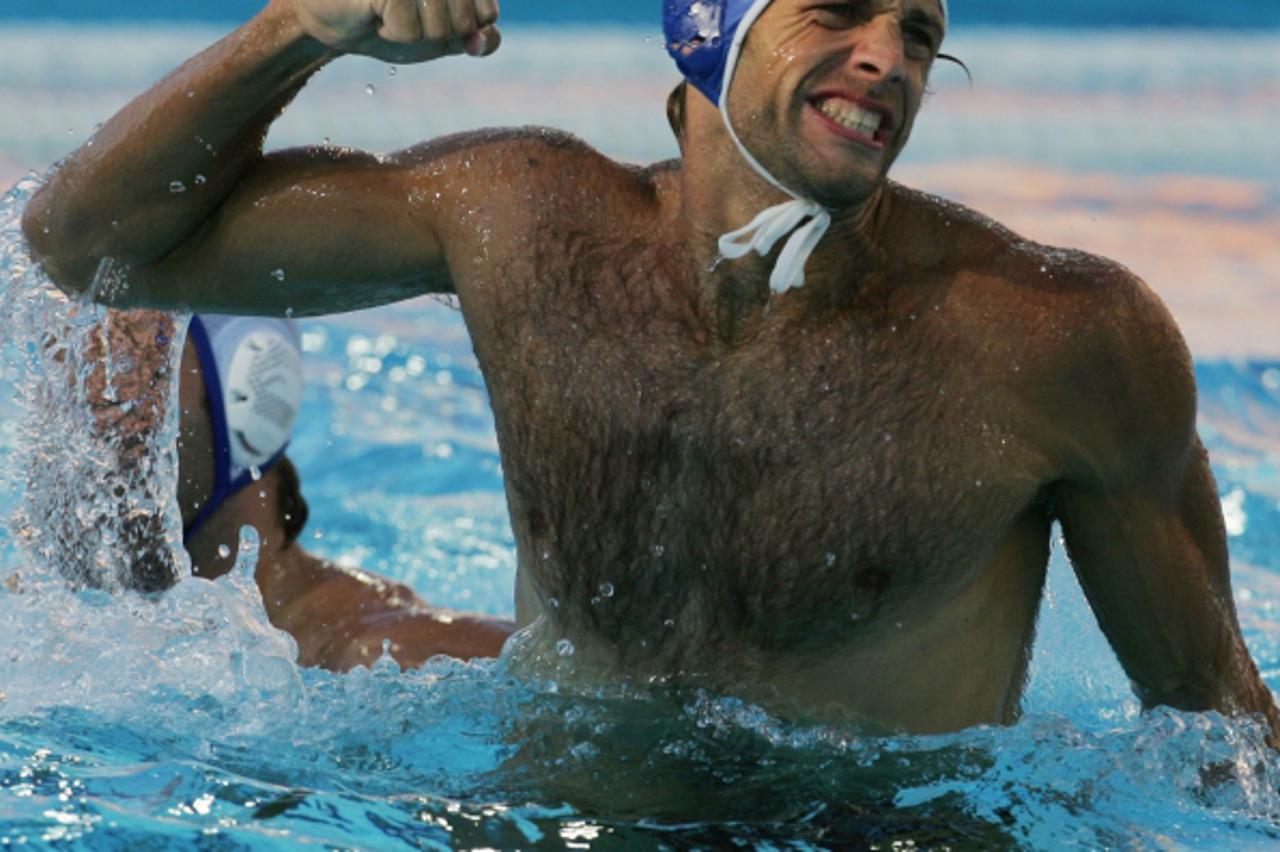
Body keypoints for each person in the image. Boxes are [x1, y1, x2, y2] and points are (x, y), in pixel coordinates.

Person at [19, 0, 1279, 738]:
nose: (887, 59)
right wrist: (298, 29)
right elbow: (89, 249)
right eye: (837, 9)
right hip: (544, 808)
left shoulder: (1058, 336)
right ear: (706, 32)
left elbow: (1212, 725)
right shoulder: (519, 219)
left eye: (918, 36)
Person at [91, 309, 514, 671]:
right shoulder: (59, 624)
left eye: (121, 370)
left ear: (247, 395)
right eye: (66, 363)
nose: (80, 417)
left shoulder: (390, 660)